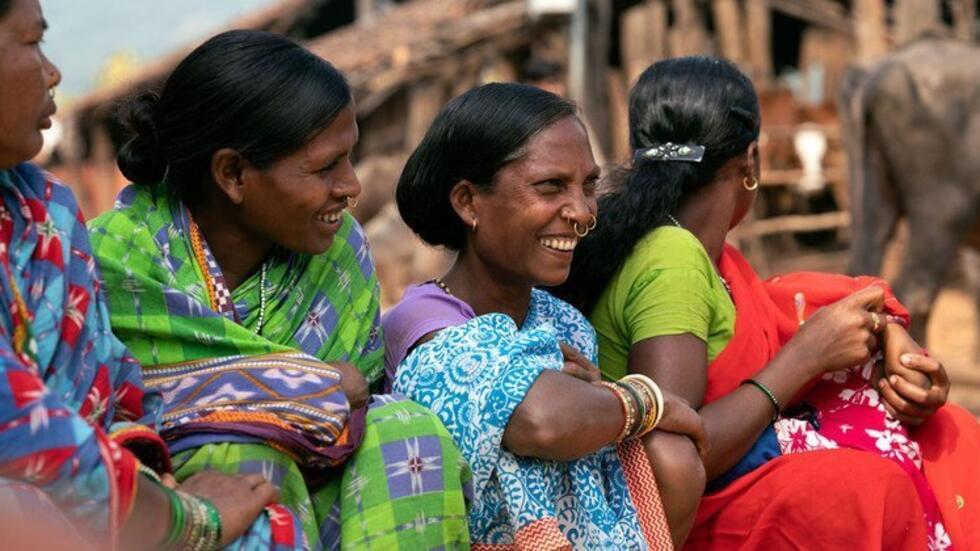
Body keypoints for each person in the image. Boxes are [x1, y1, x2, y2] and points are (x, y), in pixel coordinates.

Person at [560, 56, 980, 549]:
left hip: (719, 480)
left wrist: (884, 328)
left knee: (942, 426)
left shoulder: (706, 256)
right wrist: (803, 359)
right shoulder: (671, 256)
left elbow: (789, 300)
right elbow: (668, 457)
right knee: (865, 491)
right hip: (678, 512)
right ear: (751, 162)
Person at [88, 30, 470, 549]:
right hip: (175, 504)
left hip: (330, 484)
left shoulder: (337, 252)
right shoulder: (116, 260)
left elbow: (363, 398)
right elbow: (106, 420)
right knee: (245, 460)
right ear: (233, 174)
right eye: (325, 167)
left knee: (405, 430)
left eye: (350, 158)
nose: (353, 186)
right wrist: (311, 386)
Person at [0, 1, 300, 549]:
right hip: (37, 512)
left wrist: (144, 471)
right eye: (29, 42)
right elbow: (17, 424)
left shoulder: (44, 212)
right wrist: (190, 520)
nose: (52, 72)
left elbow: (114, 388)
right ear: (229, 172)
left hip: (105, 488)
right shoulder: (127, 247)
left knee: (263, 522)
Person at [384, 82, 708, 549]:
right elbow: (542, 420)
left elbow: (581, 427)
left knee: (670, 455)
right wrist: (648, 400)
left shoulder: (561, 323)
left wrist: (602, 401)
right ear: (468, 203)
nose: (581, 211)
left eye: (589, 186)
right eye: (551, 186)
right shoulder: (423, 326)